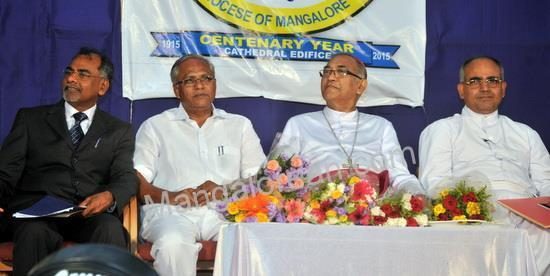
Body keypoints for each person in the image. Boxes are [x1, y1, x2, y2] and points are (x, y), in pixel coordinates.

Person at [0, 47, 137, 276]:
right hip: (37, 214)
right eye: (69, 72)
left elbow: (125, 176)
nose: (71, 78)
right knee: (34, 233)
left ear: (103, 86)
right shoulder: (30, 120)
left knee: (110, 228)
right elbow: (5, 173)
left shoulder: (118, 131)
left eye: (83, 74)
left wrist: (110, 196)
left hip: (87, 215)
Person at [133, 54, 266, 276]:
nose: (199, 85)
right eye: (190, 80)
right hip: (171, 213)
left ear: (214, 84)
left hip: (226, 211)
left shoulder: (239, 125)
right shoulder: (155, 126)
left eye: (206, 78)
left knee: (251, 241)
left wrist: (224, 191)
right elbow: (138, 181)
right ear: (177, 89)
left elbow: (259, 181)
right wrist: (173, 196)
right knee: (173, 245)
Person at [419, 55, 550, 275]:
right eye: (475, 81)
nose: (485, 87)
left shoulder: (526, 133)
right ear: (461, 90)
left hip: (528, 214)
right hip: (476, 213)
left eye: (492, 80)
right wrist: (477, 206)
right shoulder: (442, 130)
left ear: (503, 88)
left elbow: (546, 182)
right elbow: (434, 183)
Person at [277, 53, 423, 194]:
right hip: (315, 211)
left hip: (374, 212)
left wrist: (419, 197)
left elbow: (400, 176)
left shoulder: (381, 127)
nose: (331, 77)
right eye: (327, 71)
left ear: (360, 86)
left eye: (341, 72)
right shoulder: (299, 124)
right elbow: (277, 177)